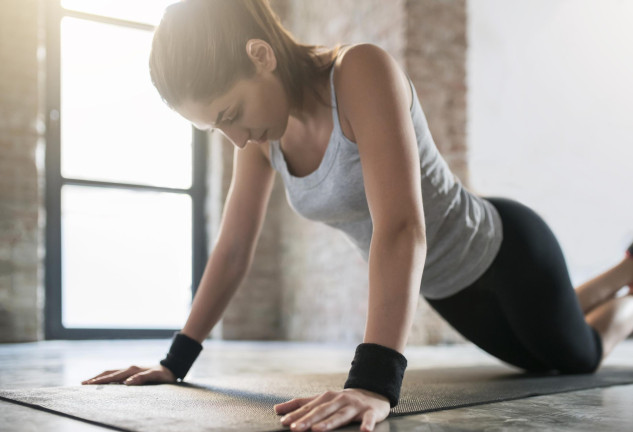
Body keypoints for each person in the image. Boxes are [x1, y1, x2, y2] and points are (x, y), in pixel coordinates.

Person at [82, 1, 633, 431]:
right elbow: (232, 250)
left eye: (231, 113)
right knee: (537, 356)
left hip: (505, 254)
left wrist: (373, 381)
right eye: (216, 129)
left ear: (260, 55)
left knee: (575, 357)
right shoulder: (258, 139)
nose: (235, 137)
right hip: (446, 287)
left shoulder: (359, 72)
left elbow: (401, 227)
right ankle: (616, 280)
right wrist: (175, 361)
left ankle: (627, 300)